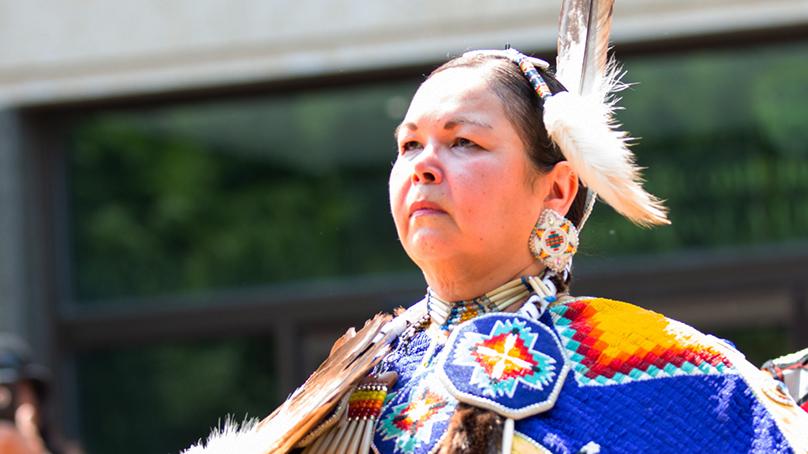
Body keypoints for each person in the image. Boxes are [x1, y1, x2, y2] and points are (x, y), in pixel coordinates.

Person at [183, 1, 808, 452]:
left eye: (463, 143)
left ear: (558, 190)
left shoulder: (663, 370)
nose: (424, 165)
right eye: (408, 146)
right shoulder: (360, 375)